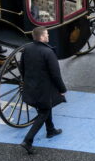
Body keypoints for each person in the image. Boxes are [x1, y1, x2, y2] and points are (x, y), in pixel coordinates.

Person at [18, 25, 66, 154]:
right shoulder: (48, 52)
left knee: (46, 107)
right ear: (42, 37)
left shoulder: (26, 49)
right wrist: (62, 89)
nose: (48, 36)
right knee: (43, 112)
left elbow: (22, 68)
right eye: (47, 34)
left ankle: (50, 130)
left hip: (30, 87)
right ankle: (28, 141)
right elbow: (56, 74)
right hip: (44, 89)